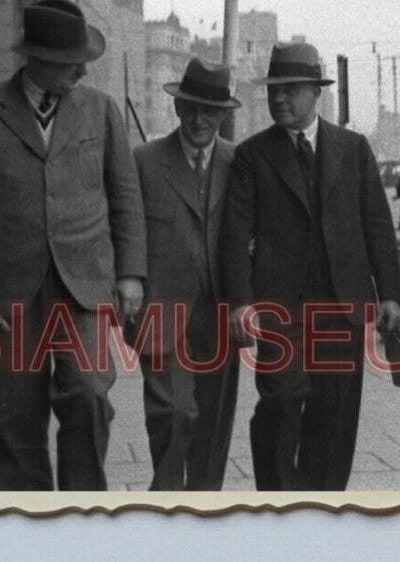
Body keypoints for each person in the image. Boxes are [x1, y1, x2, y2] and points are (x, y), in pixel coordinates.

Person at [0, 0, 146, 490]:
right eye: (72, 61)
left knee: (87, 397)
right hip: (6, 293)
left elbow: (125, 197)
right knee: (14, 423)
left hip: (82, 289)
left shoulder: (101, 113)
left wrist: (130, 273)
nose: (83, 70)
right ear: (37, 58)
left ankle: (81, 514)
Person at [220, 41, 400, 490]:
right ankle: (280, 506)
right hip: (281, 312)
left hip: (342, 308)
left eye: (291, 90)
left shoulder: (353, 148)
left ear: (315, 92)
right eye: (273, 91)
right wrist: (241, 303)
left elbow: (378, 228)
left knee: (334, 416)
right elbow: (233, 234)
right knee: (281, 403)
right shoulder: (252, 155)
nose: (279, 99)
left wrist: (392, 298)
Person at [131, 57, 240, 491]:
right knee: (175, 413)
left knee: (213, 427)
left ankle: (204, 510)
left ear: (222, 115)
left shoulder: (240, 162)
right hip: (161, 314)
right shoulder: (143, 161)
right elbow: (127, 232)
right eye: (191, 108)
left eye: (210, 111)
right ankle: (167, 499)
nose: (199, 119)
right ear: (177, 108)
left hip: (220, 315)